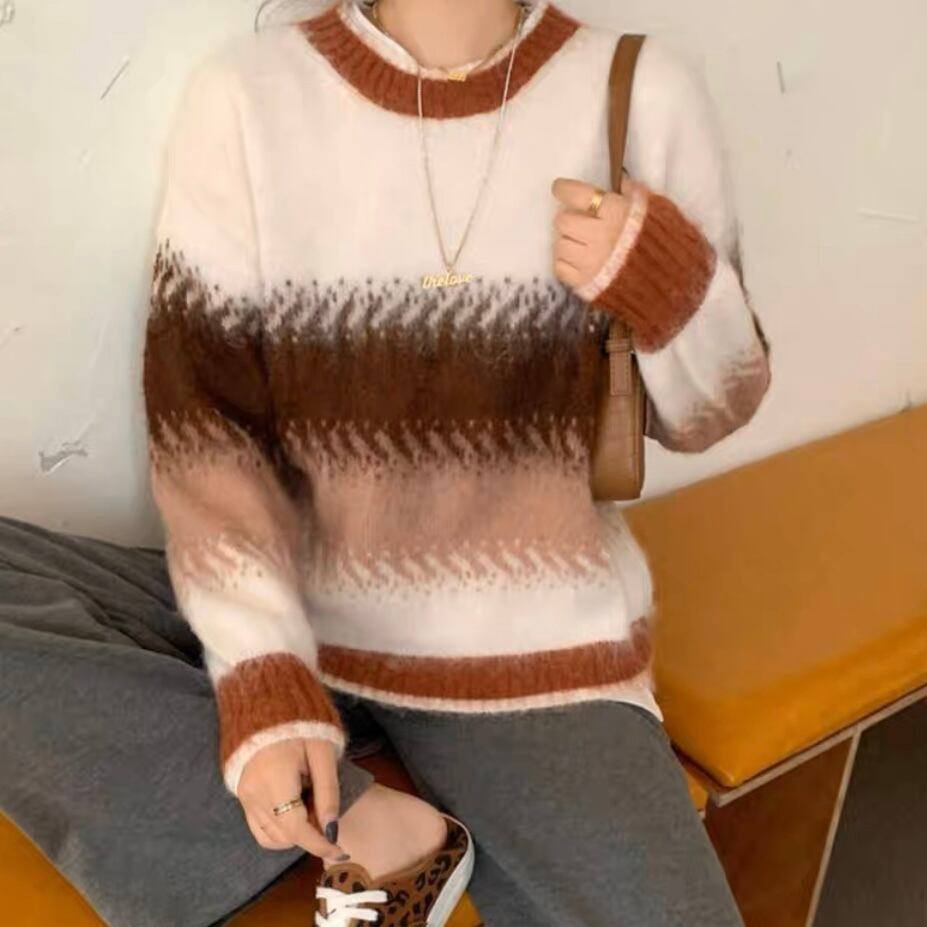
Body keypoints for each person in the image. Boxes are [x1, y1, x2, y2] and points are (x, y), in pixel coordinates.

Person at [0, 0, 772, 925]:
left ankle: (306, 808)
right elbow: (208, 433)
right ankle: (366, 821)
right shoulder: (246, 98)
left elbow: (714, 409)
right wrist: (260, 670)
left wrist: (662, 283)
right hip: (287, 611)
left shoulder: (641, 91)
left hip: (525, 657)